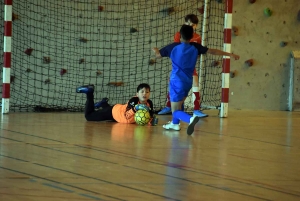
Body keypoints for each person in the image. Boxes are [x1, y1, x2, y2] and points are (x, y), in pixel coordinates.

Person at [152, 25, 239, 135]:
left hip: (176, 82)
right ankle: (175, 124)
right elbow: (212, 51)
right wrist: (230, 54)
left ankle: (191, 120)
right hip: (188, 82)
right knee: (180, 105)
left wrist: (155, 50)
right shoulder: (195, 47)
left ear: (179, 35)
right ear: (192, 36)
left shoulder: (173, 47)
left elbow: (158, 55)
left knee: (175, 110)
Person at [158, 14, 207, 118]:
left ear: (196, 26)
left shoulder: (197, 37)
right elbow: (177, 49)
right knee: (173, 84)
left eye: (193, 24)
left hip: (189, 66)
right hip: (179, 65)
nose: (190, 25)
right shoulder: (178, 35)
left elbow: (197, 51)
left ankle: (196, 109)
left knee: (195, 83)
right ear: (184, 24)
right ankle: (169, 106)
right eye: (188, 23)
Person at [76, 83, 158, 125]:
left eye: (147, 92)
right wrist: (136, 108)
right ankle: (89, 92)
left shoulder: (149, 103)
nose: (145, 94)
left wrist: (152, 121)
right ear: (137, 94)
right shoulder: (134, 100)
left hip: (118, 117)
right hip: (114, 113)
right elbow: (126, 116)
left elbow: (149, 117)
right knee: (89, 116)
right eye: (142, 92)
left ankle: (103, 104)